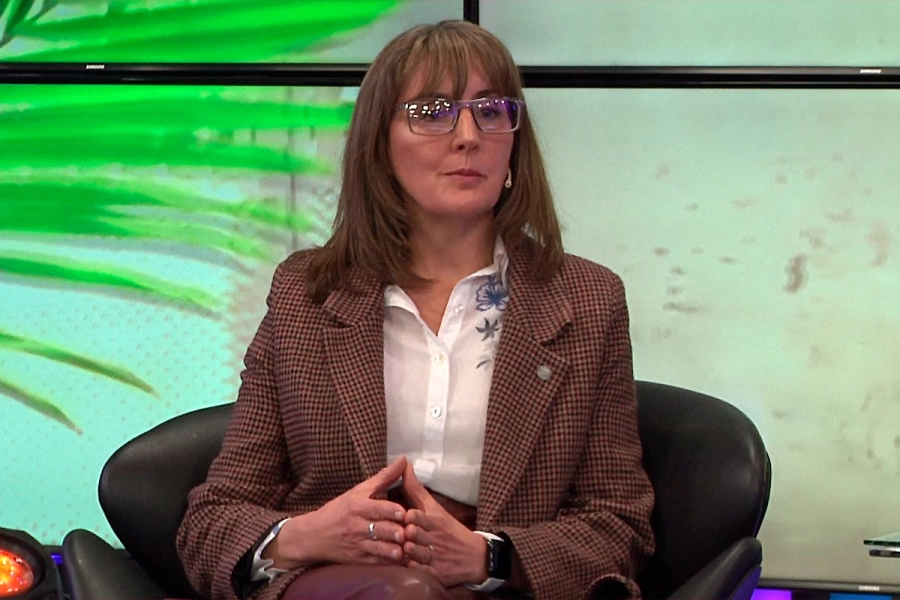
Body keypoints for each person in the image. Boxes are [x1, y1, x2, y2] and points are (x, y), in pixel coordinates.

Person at [176, 19, 654, 600]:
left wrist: (488, 556)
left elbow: (617, 524)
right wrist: (306, 537)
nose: (468, 136)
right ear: (380, 144)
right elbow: (214, 517)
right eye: (432, 112)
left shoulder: (587, 300)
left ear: (515, 143)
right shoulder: (307, 295)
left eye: (491, 111)